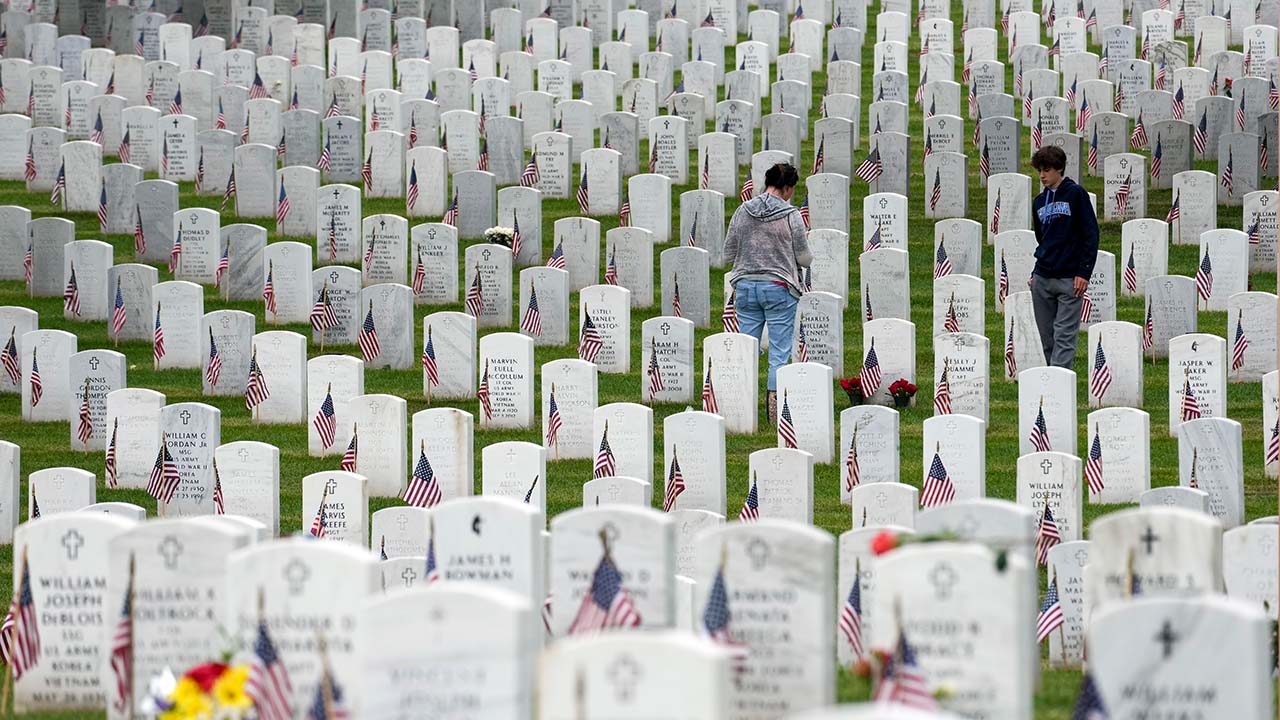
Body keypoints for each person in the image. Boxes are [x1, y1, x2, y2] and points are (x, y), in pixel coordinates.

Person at [723, 162, 813, 424]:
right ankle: (775, 416)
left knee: (746, 350)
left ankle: (741, 408)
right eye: (791, 190)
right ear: (787, 188)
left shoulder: (743, 210)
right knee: (779, 351)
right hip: (778, 287)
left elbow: (729, 252)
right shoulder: (791, 215)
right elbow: (804, 257)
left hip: (746, 286)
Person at [1029, 146, 1099, 369]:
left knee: (1064, 335)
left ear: (1059, 168)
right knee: (1047, 336)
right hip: (1043, 277)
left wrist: (1083, 272)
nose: (1042, 175)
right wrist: (1035, 273)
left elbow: (1090, 234)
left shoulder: (1076, 194)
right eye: (1039, 170)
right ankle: (1053, 379)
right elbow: (1043, 239)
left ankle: (1059, 380)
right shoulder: (1039, 202)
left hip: (1070, 278)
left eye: (1046, 170)